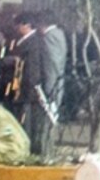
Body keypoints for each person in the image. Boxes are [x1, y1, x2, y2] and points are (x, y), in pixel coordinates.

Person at [9, 12, 66, 155]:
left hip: (35, 89)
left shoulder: (44, 39)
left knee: (34, 124)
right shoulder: (51, 36)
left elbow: (45, 66)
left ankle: (38, 152)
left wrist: (45, 89)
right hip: (38, 88)